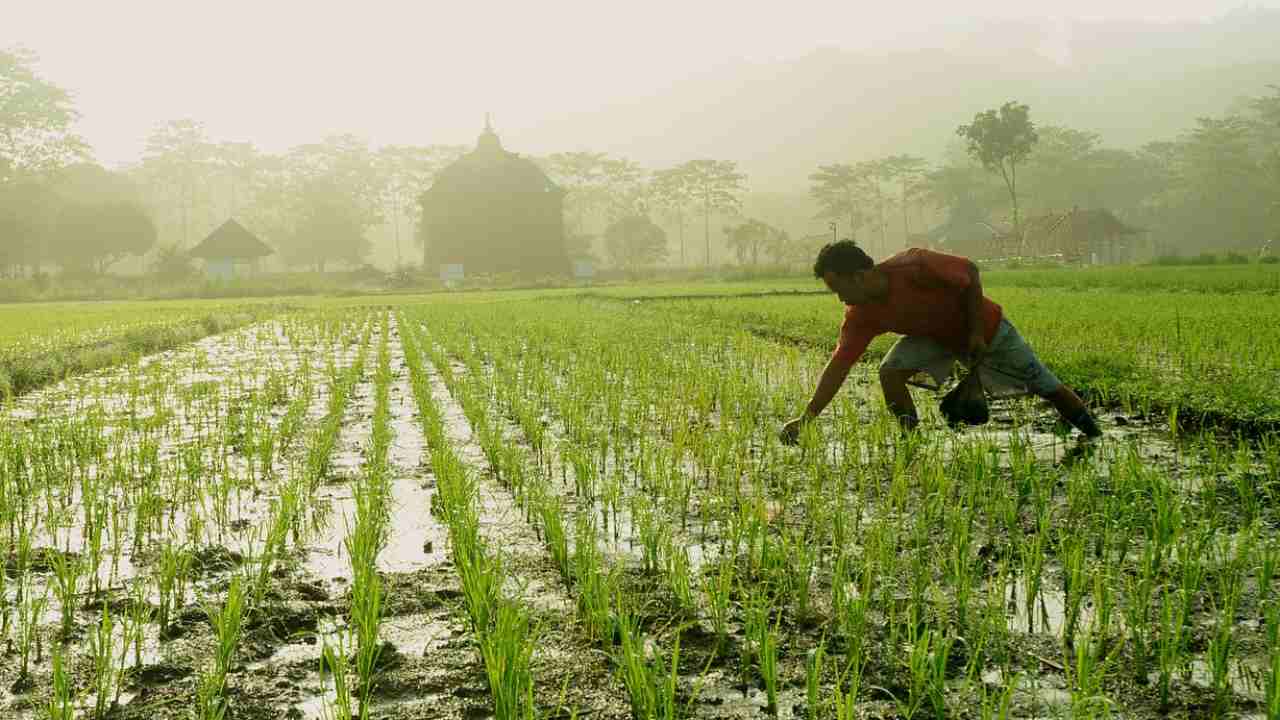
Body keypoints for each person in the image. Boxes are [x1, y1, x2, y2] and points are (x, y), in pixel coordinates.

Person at [780, 241, 1101, 443]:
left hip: (987, 329)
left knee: (1045, 385)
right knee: (889, 371)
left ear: (860, 275)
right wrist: (807, 418)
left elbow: (970, 273)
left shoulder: (914, 265)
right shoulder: (860, 315)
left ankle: (1094, 435)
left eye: (839, 288)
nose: (839, 299)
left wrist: (975, 333)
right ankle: (911, 440)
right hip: (935, 339)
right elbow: (839, 365)